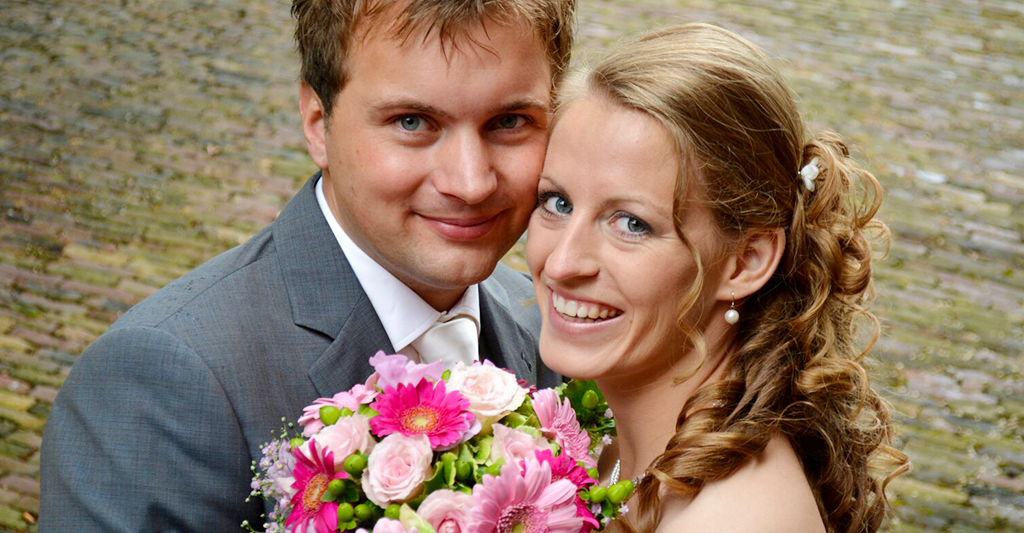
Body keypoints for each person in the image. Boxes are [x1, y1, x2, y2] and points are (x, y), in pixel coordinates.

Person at [39, 0, 577, 530]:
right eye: (413, 122)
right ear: (318, 124)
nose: (471, 182)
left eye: (510, 121)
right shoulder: (166, 382)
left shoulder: (549, 322)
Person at [527, 23, 910, 533]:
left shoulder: (734, 518)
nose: (561, 263)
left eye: (632, 224)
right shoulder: (611, 448)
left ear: (745, 262)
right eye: (557, 202)